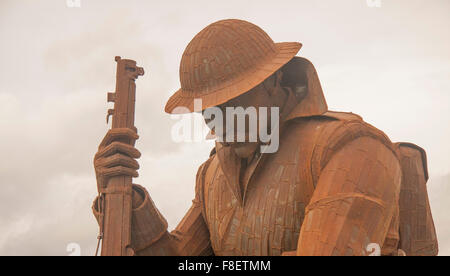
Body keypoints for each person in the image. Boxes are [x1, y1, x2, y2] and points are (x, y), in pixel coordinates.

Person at [92, 19, 437, 256]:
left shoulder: (352, 149)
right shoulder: (211, 176)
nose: (220, 123)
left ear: (273, 83)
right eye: (208, 110)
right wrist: (121, 196)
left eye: (232, 102)